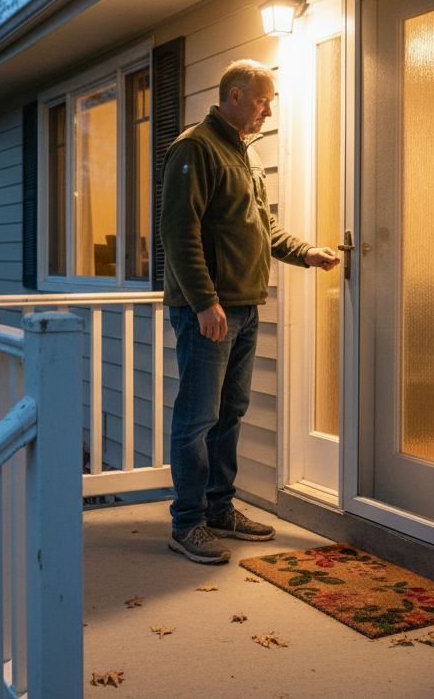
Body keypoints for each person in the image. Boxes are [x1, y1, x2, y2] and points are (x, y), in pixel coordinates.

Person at [159, 59, 340, 564]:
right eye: (264, 100)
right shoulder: (195, 148)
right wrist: (204, 301)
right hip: (211, 311)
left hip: (242, 305)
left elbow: (261, 228)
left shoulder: (244, 155)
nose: (268, 110)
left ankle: (219, 508)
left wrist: (305, 252)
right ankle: (187, 523)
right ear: (235, 94)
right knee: (197, 418)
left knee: (229, 414)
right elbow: (180, 233)